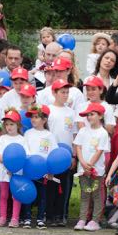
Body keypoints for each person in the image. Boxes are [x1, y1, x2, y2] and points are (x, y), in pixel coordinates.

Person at [44, 79, 78, 227]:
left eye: (67, 92)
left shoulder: (71, 113)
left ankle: (61, 214)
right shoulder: (48, 111)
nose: (65, 95)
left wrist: (74, 156)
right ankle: (48, 214)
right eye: (62, 92)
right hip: (51, 155)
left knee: (64, 187)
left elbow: (75, 136)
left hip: (66, 156)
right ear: (54, 93)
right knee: (50, 186)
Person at [74, 102, 111, 232]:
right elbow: (78, 146)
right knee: (85, 194)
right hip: (83, 169)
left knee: (96, 195)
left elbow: (100, 151)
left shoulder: (103, 133)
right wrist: (83, 163)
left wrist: (90, 165)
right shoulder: (83, 131)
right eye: (88, 115)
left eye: (92, 114)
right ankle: (82, 218)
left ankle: (95, 220)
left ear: (100, 116)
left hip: (96, 171)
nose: (89, 117)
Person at [23, 104, 56, 228]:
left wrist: (50, 169)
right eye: (32, 117)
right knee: (28, 193)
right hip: (30, 169)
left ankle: (40, 218)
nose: (33, 119)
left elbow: (53, 154)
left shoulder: (49, 135)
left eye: (36, 117)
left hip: (43, 171)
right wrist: (31, 160)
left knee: (42, 195)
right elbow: (25, 149)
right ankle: (27, 217)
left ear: (44, 120)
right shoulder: (28, 134)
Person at [0, 110, 25, 228]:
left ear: (18, 125)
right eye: (6, 124)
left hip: (17, 173)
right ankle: (2, 217)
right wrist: (8, 163)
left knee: (16, 195)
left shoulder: (22, 139)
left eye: (11, 124)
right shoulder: (3, 138)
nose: (9, 127)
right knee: (3, 195)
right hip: (4, 172)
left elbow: (25, 155)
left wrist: (14, 166)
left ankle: (15, 218)